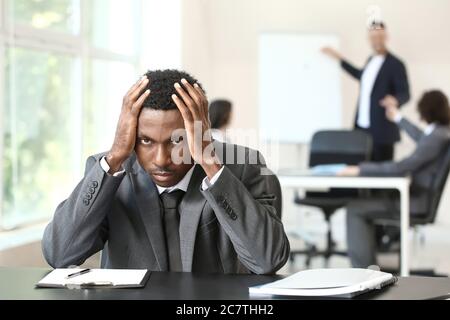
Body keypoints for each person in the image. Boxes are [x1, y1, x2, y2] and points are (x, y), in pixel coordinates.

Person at [42, 69, 290, 274]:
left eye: (177, 140)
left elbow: (268, 260)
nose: (161, 160)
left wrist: (210, 163)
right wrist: (115, 156)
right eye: (146, 141)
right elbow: (60, 254)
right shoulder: (110, 171)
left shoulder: (244, 166)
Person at [338, 90, 450, 268]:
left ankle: (365, 270)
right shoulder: (441, 133)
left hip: (414, 202)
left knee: (355, 208)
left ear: (426, 111)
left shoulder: (437, 137)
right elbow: (421, 137)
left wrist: (360, 169)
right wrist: (398, 117)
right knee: (369, 201)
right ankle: (374, 258)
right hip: (418, 197)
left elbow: (401, 167)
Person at [322, 21, 410, 161]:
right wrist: (339, 58)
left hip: (382, 131)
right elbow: (359, 75)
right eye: (373, 37)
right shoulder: (370, 60)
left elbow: (405, 93)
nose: (377, 40)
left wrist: (396, 100)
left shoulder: (396, 64)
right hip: (362, 128)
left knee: (381, 177)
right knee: (360, 173)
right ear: (369, 39)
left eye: (380, 36)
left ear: (386, 36)